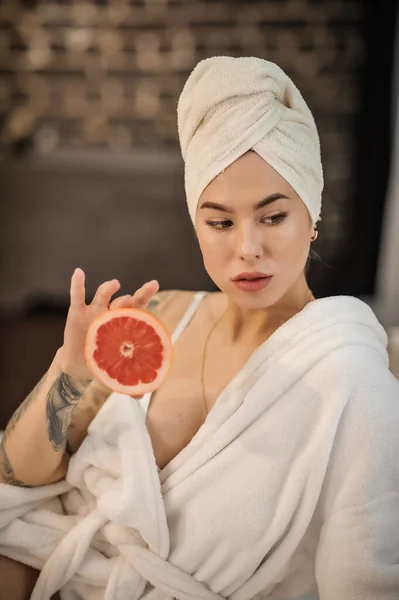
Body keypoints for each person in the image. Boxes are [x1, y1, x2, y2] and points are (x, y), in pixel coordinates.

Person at [0, 56, 398, 600]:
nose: (248, 248)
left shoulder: (349, 374)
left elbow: (364, 582)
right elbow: (18, 479)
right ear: (197, 225)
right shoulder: (162, 315)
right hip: (61, 566)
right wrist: (65, 372)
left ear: (313, 216)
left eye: (274, 216)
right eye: (220, 222)